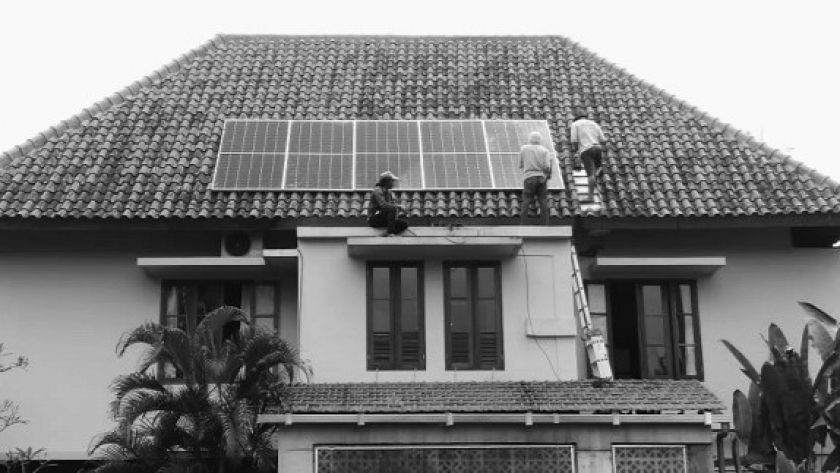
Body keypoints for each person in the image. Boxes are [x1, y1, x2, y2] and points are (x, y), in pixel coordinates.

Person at [570, 106, 607, 202]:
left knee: (590, 174)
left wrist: (576, 151)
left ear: (576, 118)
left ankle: (590, 197)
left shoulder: (575, 124)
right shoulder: (594, 124)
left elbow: (574, 140)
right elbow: (603, 140)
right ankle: (599, 169)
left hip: (586, 150)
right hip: (597, 148)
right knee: (596, 167)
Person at [519, 131, 554, 225]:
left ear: (530, 139)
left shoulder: (524, 149)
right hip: (541, 178)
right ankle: (544, 224)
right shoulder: (545, 151)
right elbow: (547, 166)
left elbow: (521, 164)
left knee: (526, 200)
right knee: (543, 201)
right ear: (540, 140)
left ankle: (523, 223)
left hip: (529, 177)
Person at [368, 171, 408, 236]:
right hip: (374, 219)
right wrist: (399, 207)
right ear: (387, 182)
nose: (393, 183)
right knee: (392, 208)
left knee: (404, 224)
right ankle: (390, 233)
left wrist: (400, 209)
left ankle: (386, 233)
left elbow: (391, 205)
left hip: (383, 218)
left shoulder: (388, 192)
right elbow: (383, 205)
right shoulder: (377, 190)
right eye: (392, 181)